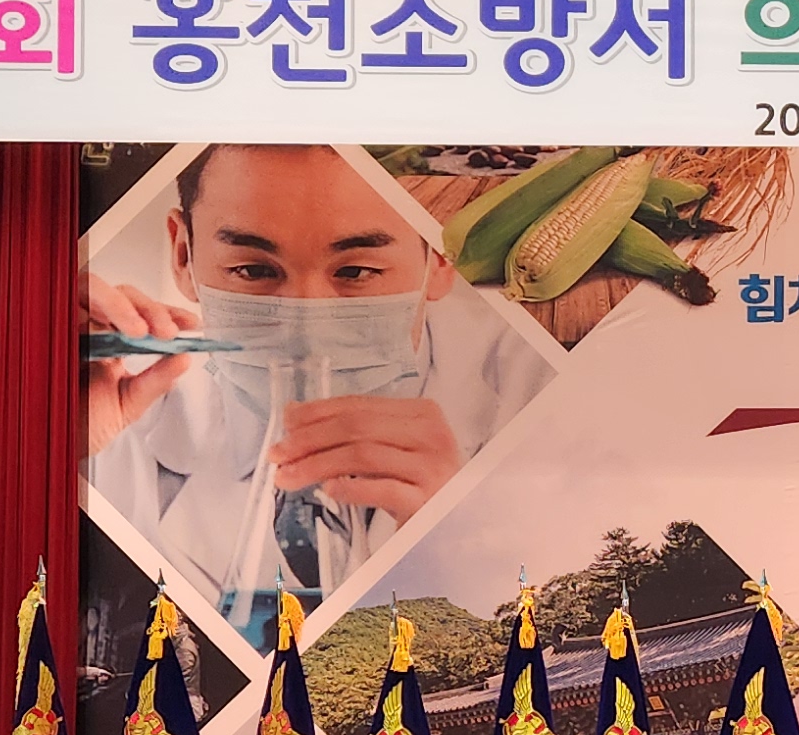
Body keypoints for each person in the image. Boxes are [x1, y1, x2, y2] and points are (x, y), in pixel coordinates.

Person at [83, 140, 520, 638]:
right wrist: (40, 431)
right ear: (183, 256)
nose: (306, 331)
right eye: (253, 270)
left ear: (441, 257)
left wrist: (456, 545)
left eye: (355, 271)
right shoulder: (110, 421)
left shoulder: (530, 401)